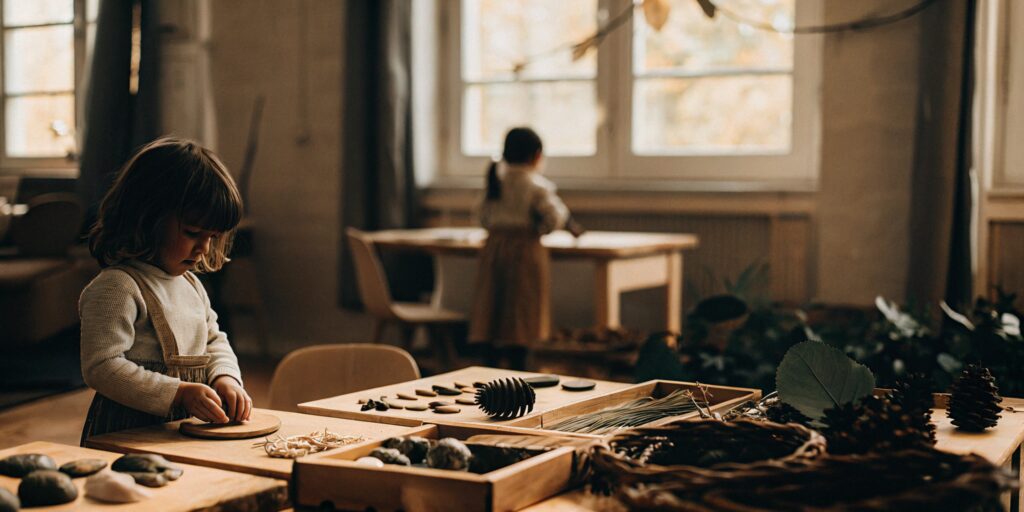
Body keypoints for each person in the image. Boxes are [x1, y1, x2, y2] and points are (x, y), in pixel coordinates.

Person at [79, 137, 251, 445]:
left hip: (182, 426)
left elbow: (214, 340)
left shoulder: (192, 286)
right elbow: (101, 367)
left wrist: (225, 376)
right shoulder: (117, 287)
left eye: (212, 237)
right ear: (146, 218)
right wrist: (177, 393)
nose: (204, 248)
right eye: (193, 232)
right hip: (128, 431)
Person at [469, 127, 570, 369]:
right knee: (522, 309)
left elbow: (480, 216)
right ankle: (519, 364)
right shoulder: (537, 186)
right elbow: (555, 217)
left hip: (494, 250)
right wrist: (539, 228)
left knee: (493, 306)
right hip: (525, 251)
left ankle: (488, 365)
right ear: (537, 156)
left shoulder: (495, 182)